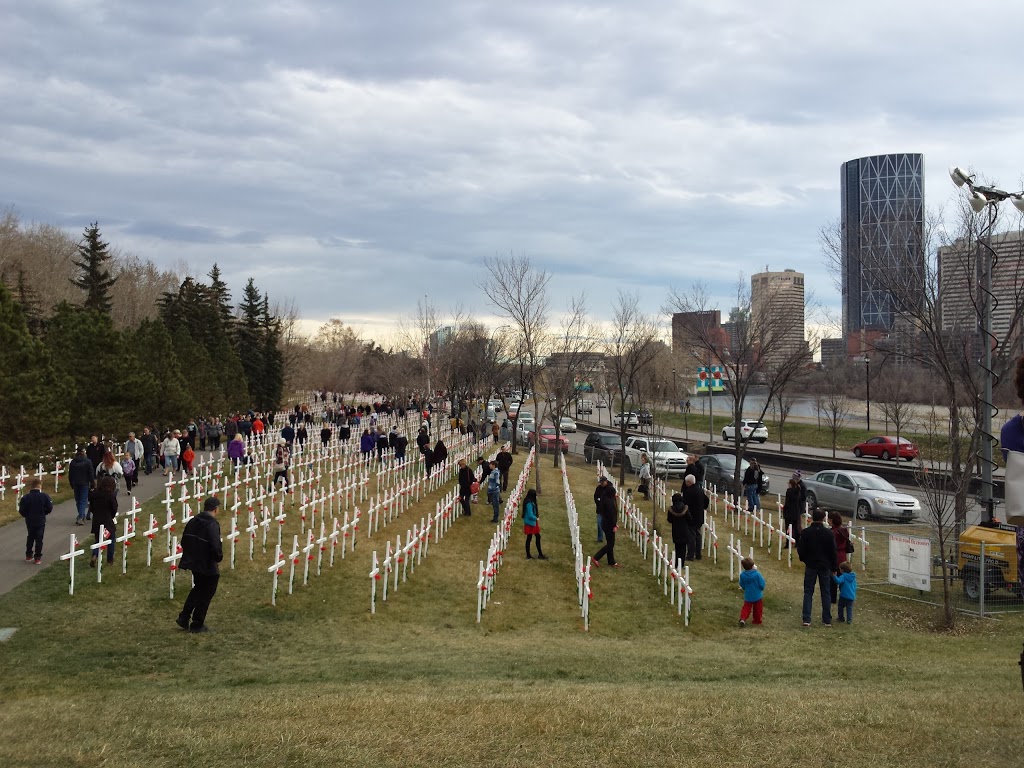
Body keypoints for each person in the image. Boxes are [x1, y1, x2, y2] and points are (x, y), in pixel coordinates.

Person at [176, 496, 224, 634]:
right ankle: (197, 623)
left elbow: (185, 539)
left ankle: (184, 616)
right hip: (207, 563)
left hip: (194, 562)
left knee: (198, 588)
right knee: (207, 593)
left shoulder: (193, 521)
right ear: (215, 509)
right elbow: (215, 545)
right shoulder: (212, 524)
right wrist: (218, 557)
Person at [797, 508, 838, 627]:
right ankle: (826, 619)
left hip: (811, 564)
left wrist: (805, 559)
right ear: (823, 518)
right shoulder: (829, 533)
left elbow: (801, 549)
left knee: (808, 591)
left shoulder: (806, 532)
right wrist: (834, 567)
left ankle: (806, 618)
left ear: (812, 517)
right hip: (825, 565)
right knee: (825, 591)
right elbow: (833, 551)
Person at [19, 478, 53, 564]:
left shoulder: (26, 497)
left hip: (30, 520)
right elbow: (49, 507)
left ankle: (28, 555)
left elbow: (22, 510)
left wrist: (26, 515)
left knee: (30, 536)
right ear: (39, 486)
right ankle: (37, 557)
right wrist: (44, 513)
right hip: (40, 519)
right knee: (39, 538)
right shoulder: (44, 496)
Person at [88, 475, 118, 567]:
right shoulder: (110, 495)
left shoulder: (94, 494)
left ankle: (95, 555)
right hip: (107, 521)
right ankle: (109, 560)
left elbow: (91, 508)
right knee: (111, 539)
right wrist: (111, 516)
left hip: (97, 520)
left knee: (98, 539)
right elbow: (114, 508)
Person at [591, 486, 620, 568]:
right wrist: (614, 525)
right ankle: (596, 557)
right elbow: (611, 515)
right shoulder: (609, 502)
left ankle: (611, 562)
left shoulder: (606, 499)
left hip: (605, 524)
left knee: (610, 542)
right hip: (609, 525)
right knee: (611, 544)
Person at [682, 474, 707, 560]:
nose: (685, 483)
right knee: (698, 536)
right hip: (699, 516)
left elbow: (684, 503)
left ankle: (690, 555)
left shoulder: (688, 492)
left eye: (686, 482)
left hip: (691, 517)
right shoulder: (700, 490)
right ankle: (698, 554)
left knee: (691, 536)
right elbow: (706, 500)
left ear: (689, 482)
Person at [829, 511, 852, 604]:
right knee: (842, 578)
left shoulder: (832, 532)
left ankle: (832, 598)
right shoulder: (844, 531)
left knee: (833, 579)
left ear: (832, 520)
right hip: (843, 556)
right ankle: (844, 595)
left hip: (835, 556)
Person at [738, 557, 766, 627]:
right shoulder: (757, 574)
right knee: (758, 609)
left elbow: (741, 583)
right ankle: (757, 620)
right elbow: (761, 583)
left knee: (746, 607)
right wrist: (761, 588)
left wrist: (745, 588)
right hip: (757, 595)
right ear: (752, 566)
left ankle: (743, 618)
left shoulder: (742, 575)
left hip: (748, 595)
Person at [68, 447, 94, 525]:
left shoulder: (73, 462)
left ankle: (81, 515)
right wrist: (92, 482)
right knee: (83, 500)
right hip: (84, 483)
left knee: (78, 500)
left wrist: (71, 483)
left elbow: (70, 474)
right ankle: (81, 516)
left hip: (75, 483)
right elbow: (90, 473)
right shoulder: (87, 462)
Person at [666, 492, 692, 567]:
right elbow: (690, 519)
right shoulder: (685, 508)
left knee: (677, 547)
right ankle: (682, 563)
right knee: (683, 548)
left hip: (676, 530)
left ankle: (677, 562)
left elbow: (669, 520)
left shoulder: (671, 509)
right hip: (684, 530)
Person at [523, 489, 547, 559]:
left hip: (532, 523)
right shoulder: (529, 504)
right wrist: (536, 518)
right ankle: (534, 554)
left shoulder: (529, 502)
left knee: (533, 537)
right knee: (532, 537)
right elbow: (530, 514)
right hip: (530, 523)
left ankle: (535, 554)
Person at [782, 476, 803, 547]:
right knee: (796, 528)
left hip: (789, 513)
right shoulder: (798, 492)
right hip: (796, 512)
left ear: (791, 484)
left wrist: (784, 510)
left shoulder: (789, 492)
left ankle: (788, 543)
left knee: (788, 528)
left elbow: (787, 503)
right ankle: (797, 542)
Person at [593, 475, 615, 543]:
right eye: (601, 482)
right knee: (599, 523)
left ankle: (609, 537)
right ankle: (600, 538)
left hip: (608, 511)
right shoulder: (598, 488)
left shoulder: (610, 488)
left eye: (602, 482)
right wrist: (598, 503)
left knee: (607, 525)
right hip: (600, 509)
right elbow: (595, 496)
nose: (601, 484)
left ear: (606, 481)